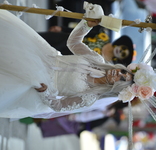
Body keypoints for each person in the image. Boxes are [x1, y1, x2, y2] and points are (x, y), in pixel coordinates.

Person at [0, 9, 133, 119]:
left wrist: (44, 92)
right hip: (41, 56)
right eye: (123, 72)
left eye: (121, 78)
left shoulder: (90, 97)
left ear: (117, 87)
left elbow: (58, 106)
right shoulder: (97, 60)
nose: (118, 73)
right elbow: (73, 43)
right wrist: (86, 25)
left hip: (36, 84)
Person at [39, 25, 135, 66]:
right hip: (64, 38)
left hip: (65, 54)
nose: (120, 51)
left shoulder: (105, 63)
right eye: (123, 49)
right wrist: (62, 29)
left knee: (39, 53)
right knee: (37, 38)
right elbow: (82, 30)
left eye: (123, 54)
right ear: (121, 44)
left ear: (121, 58)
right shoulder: (104, 37)